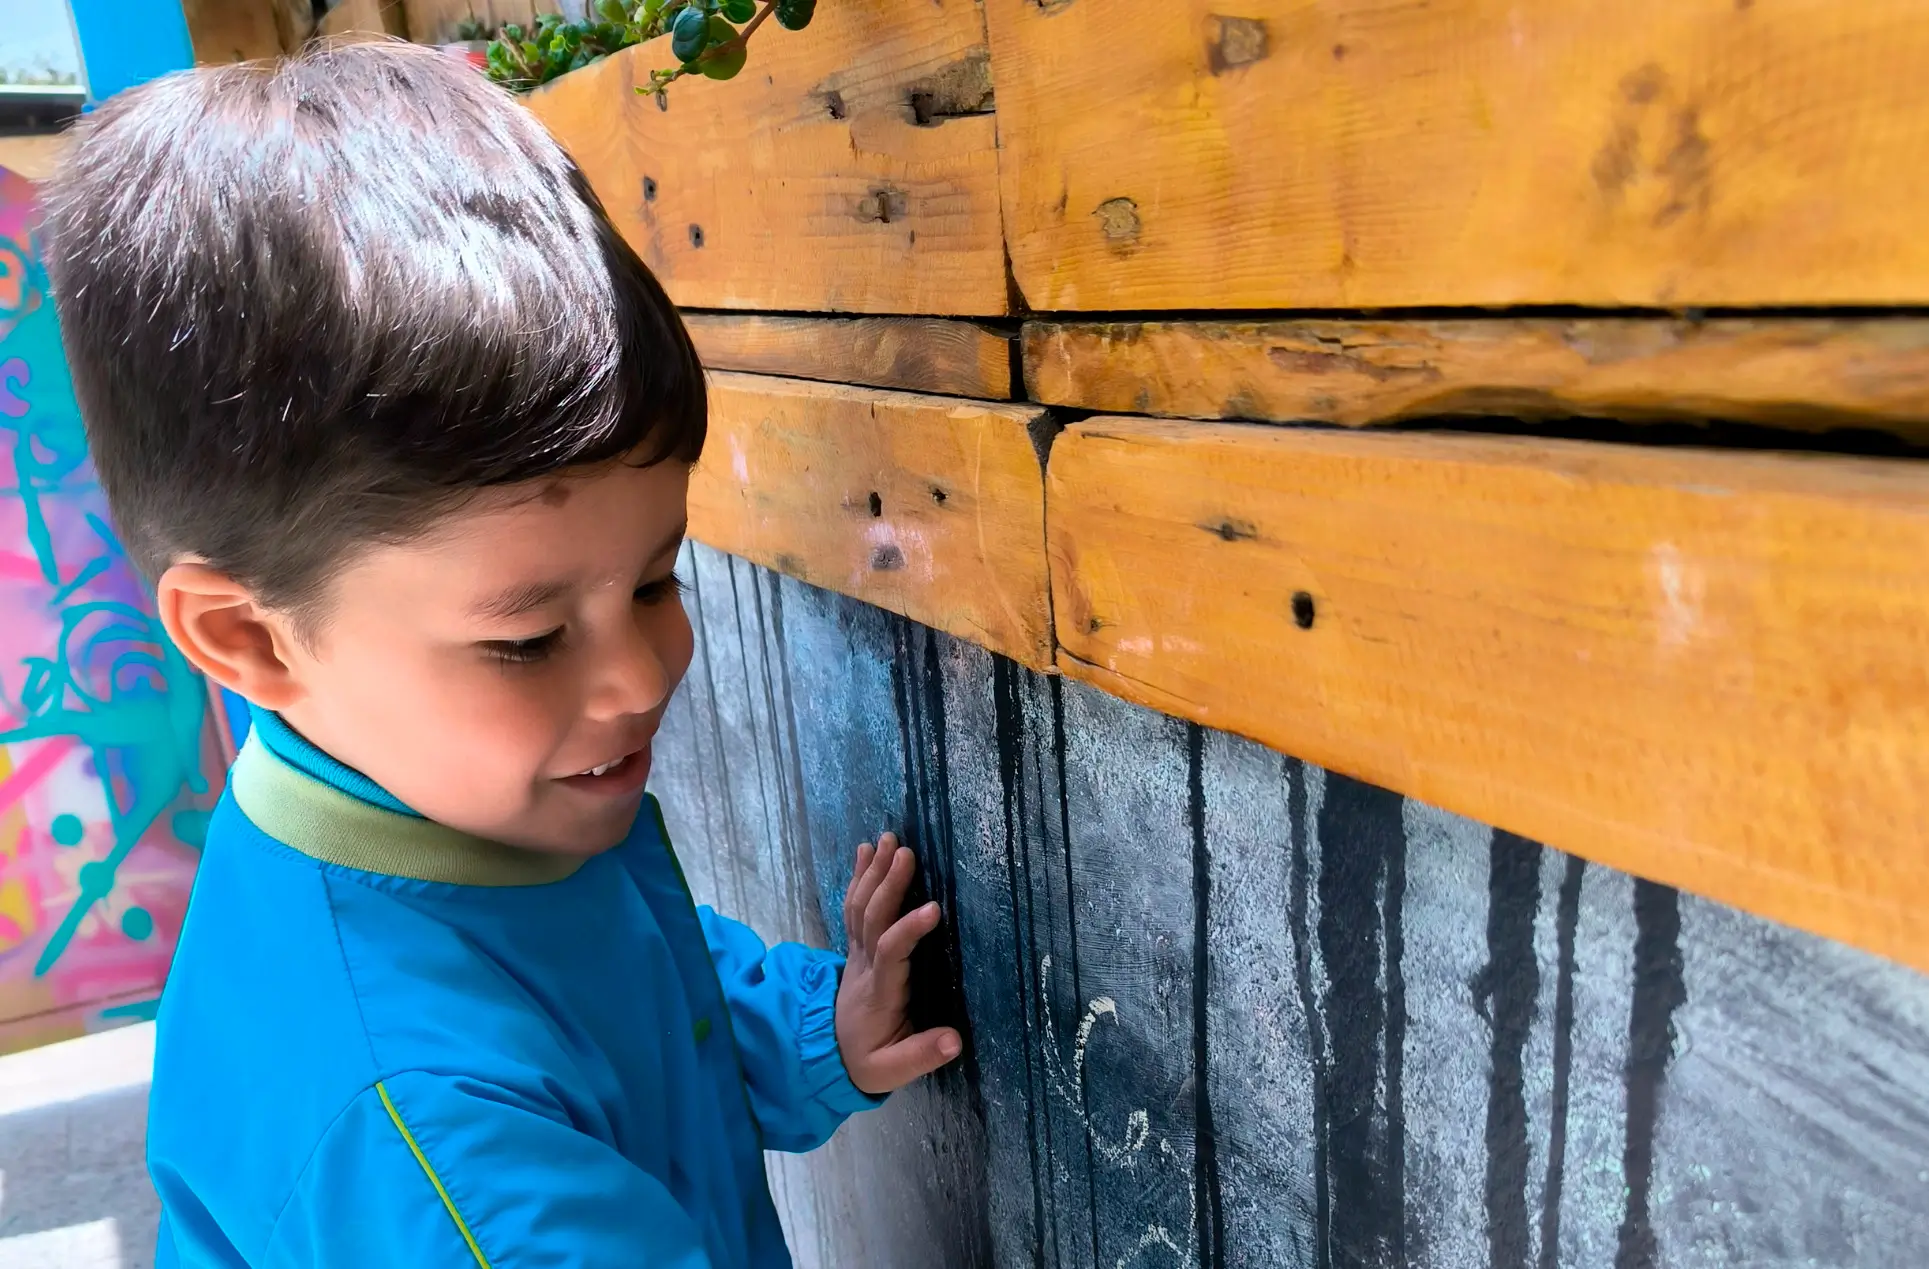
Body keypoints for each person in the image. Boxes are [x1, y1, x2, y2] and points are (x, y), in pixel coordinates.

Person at [42, 40, 961, 1268]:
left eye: (656, 579)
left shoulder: (423, 779)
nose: (643, 675)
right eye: (527, 640)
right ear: (248, 639)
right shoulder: (438, 1159)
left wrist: (808, 1035)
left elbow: (617, 993)